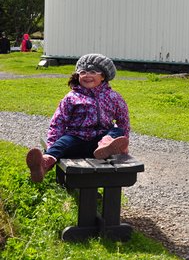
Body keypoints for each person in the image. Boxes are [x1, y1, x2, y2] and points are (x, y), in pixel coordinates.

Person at [26, 53, 130, 183]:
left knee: (117, 130)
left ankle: (107, 145)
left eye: (93, 71)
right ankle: (44, 164)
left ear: (103, 76)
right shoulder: (72, 97)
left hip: (100, 142)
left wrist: (123, 143)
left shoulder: (114, 97)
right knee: (63, 143)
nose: (87, 75)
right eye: (83, 72)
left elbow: (123, 120)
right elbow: (58, 121)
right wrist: (52, 143)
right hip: (77, 139)